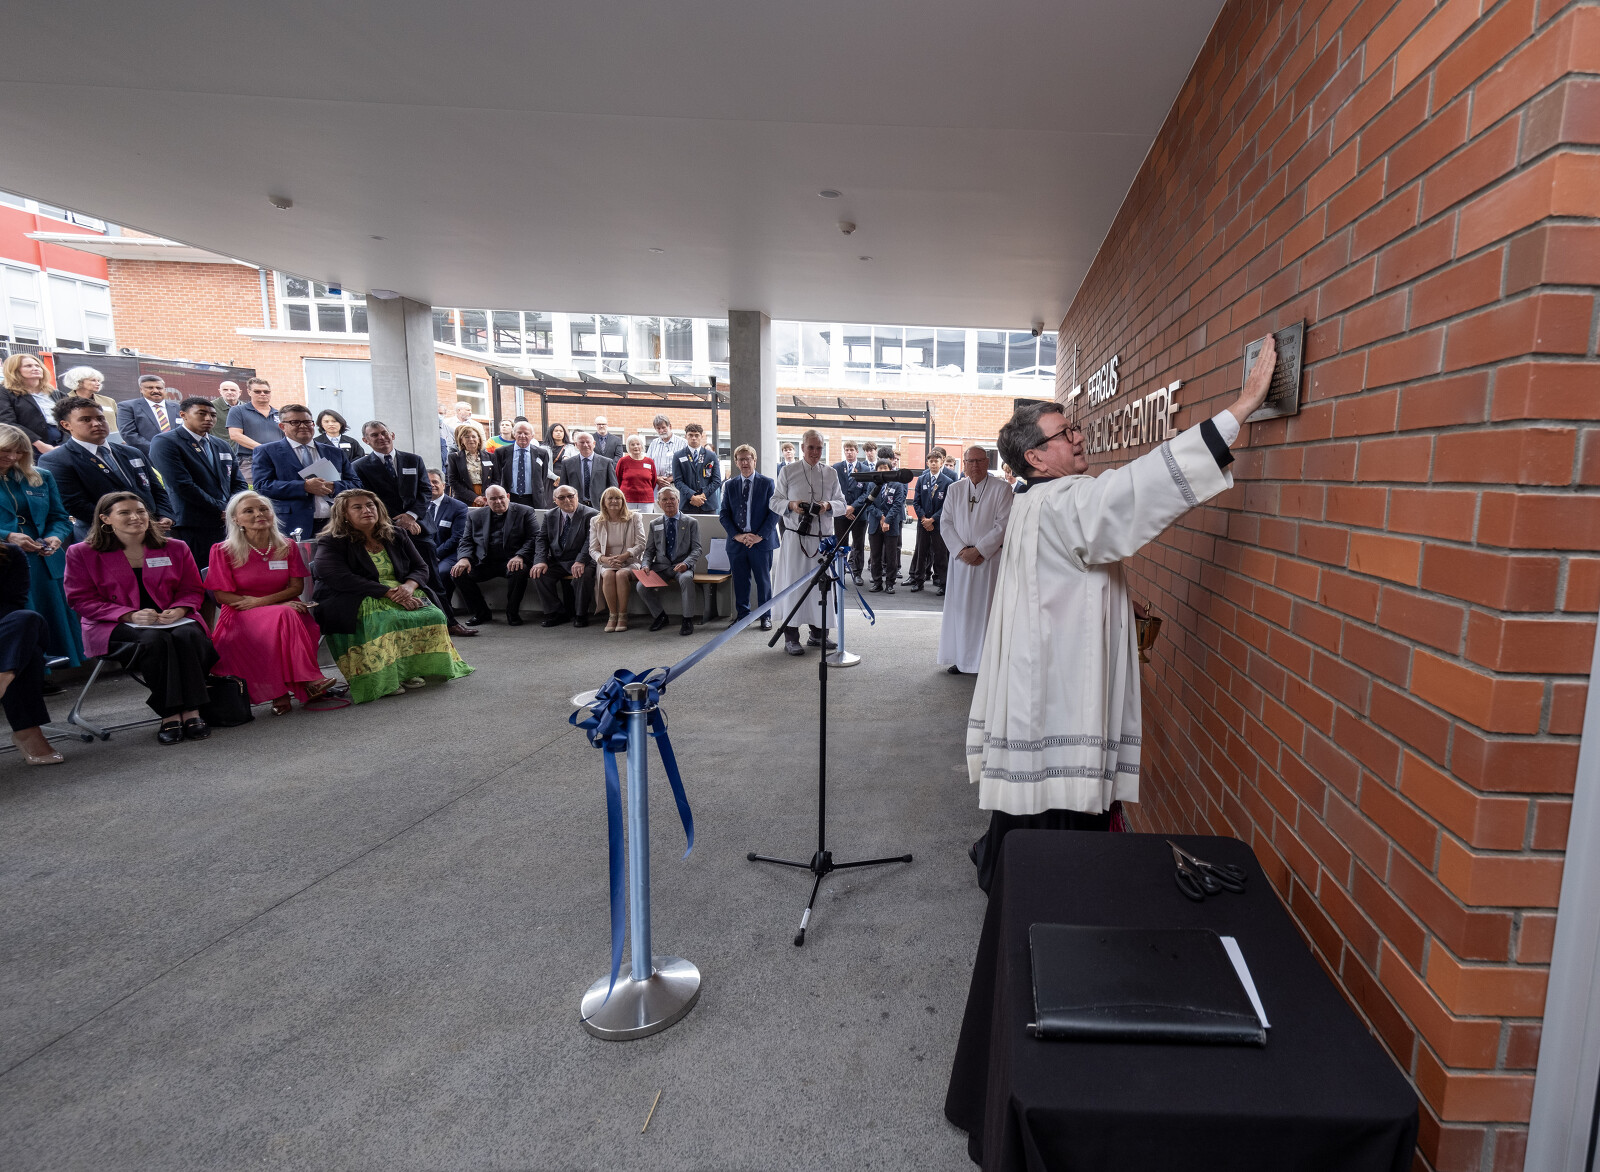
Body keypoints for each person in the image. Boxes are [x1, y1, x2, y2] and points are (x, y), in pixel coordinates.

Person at [965, 337, 1277, 886]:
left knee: (1031, 788)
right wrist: (1241, 408)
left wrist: (1109, 593)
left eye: (1074, 427)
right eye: (1064, 433)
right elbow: (1136, 488)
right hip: (1058, 682)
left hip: (1034, 671)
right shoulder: (1066, 499)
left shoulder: (1031, 500)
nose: (1078, 436)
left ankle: (1006, 865)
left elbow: (1050, 574)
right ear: (1035, 457)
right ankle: (1046, 891)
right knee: (1058, 795)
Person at [63, 491, 217, 744]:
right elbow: (81, 600)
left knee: (187, 635)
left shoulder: (175, 547)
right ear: (105, 519)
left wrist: (180, 609)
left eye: (141, 511)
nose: (135, 517)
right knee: (155, 641)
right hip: (113, 625)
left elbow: (192, 588)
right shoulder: (82, 553)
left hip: (174, 619)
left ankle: (192, 711)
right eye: (125, 513)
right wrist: (129, 615)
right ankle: (170, 714)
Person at [312, 489, 473, 703]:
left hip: (401, 589)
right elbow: (337, 577)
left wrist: (409, 586)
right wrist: (387, 592)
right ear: (344, 514)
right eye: (357, 507)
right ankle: (383, 678)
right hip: (354, 595)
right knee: (385, 619)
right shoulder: (332, 541)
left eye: (370, 505)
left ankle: (411, 670)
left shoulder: (396, 534)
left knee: (433, 615)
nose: (366, 510)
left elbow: (421, 567)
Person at [206, 491, 339, 714]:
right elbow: (222, 596)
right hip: (241, 611)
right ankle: (307, 681)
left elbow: (296, 588)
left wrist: (266, 603)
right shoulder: (222, 550)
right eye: (249, 511)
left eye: (263, 509)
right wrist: (271, 606)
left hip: (282, 607)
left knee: (286, 617)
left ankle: (281, 692)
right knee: (285, 616)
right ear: (236, 519)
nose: (259, 514)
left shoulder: (287, 545)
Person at [353, 421, 474, 638]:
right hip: (384, 530)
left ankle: (449, 623)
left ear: (392, 434)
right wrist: (394, 522)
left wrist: (411, 516)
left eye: (384, 433)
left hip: (419, 528)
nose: (381, 438)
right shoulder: (359, 466)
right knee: (398, 578)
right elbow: (367, 499)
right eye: (374, 435)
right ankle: (412, 625)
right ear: (365, 440)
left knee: (433, 578)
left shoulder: (413, 459)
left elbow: (425, 491)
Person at [0, 424, 84, 667]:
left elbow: (60, 517)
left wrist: (55, 536)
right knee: (18, 615)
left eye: (19, 451)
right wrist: (7, 536)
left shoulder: (40, 476)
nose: (13, 457)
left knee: (50, 613)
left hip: (43, 557)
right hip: (5, 558)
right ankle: (23, 670)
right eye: (6, 450)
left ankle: (50, 668)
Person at [41, 396, 173, 540]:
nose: (96, 424)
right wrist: (129, 522)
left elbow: (156, 489)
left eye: (100, 418)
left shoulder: (132, 452)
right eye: (86, 420)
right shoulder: (57, 460)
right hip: (104, 538)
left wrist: (165, 515)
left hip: (152, 532)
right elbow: (75, 504)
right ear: (66, 425)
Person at [148, 396, 246, 571]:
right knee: (202, 572)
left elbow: (238, 482)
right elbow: (182, 485)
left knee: (231, 570)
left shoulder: (221, 444)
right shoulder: (166, 442)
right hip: (194, 522)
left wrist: (233, 507)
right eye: (201, 413)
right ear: (183, 415)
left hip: (227, 522)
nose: (209, 418)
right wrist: (221, 508)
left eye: (213, 415)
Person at [769, 429, 845, 655]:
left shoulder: (831, 473)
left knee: (822, 588)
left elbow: (842, 503)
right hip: (796, 540)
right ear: (802, 448)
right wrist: (791, 505)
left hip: (822, 542)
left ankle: (818, 634)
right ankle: (791, 637)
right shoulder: (788, 471)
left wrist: (827, 506)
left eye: (819, 448)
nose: (815, 452)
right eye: (811, 447)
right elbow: (774, 501)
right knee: (793, 588)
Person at [938, 447, 1012, 677]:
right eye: (970, 461)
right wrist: (962, 550)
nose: (975, 466)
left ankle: (983, 662)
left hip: (988, 560)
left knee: (985, 611)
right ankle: (961, 659)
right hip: (961, 560)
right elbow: (945, 523)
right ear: (964, 463)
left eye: (980, 461)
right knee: (960, 611)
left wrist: (979, 550)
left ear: (987, 462)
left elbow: (1003, 524)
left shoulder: (1002, 489)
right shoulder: (955, 489)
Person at [251, 403, 359, 538]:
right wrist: (304, 487)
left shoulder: (334, 452)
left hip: (334, 523)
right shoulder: (267, 451)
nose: (303, 426)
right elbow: (262, 486)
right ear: (282, 426)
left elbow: (355, 484)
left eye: (307, 422)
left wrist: (333, 486)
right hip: (292, 524)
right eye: (295, 422)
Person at [0, 545, 62, 764]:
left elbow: (12, 605)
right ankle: (27, 732)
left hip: (5, 630)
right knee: (27, 652)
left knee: (27, 619)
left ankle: (3, 677)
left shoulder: (10, 554)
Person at [450, 485, 538, 626]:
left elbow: (534, 538)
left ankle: (512, 613)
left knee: (520, 571)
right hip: (484, 562)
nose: (498, 502)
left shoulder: (525, 511)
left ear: (508, 497)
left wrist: (520, 556)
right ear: (486, 500)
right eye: (493, 499)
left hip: (512, 560)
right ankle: (481, 613)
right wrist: (464, 558)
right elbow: (466, 541)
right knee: (458, 573)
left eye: (501, 497)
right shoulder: (474, 516)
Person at [718, 444, 778, 629]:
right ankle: (743, 616)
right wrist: (737, 535)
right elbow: (724, 514)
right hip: (737, 543)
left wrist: (759, 536)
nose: (745, 462)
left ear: (755, 461)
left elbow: (774, 513)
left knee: (763, 581)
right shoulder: (729, 485)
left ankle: (765, 616)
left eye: (748, 459)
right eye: (741, 459)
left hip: (761, 542)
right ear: (736, 462)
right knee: (740, 581)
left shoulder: (767, 483)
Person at [639, 487, 701, 635]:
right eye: (664, 499)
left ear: (678, 500)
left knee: (686, 580)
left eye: (672, 498)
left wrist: (686, 563)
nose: (669, 502)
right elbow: (649, 551)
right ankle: (660, 616)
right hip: (661, 567)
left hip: (683, 566)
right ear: (659, 503)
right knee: (641, 586)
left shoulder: (691, 522)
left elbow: (697, 549)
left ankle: (687, 619)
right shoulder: (654, 524)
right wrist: (645, 565)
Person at [532, 484, 596, 627]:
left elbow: (591, 541)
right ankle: (557, 613)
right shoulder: (550, 515)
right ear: (555, 500)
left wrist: (580, 560)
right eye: (561, 498)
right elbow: (541, 539)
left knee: (583, 574)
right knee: (539, 573)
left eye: (570, 496)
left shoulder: (591, 514)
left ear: (577, 496)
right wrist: (540, 560)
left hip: (583, 559)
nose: (567, 500)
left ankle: (580, 614)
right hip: (558, 560)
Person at [589, 486, 646, 631]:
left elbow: (641, 544)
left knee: (621, 575)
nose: (614, 501)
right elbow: (593, 549)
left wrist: (625, 556)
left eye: (617, 498)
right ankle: (612, 615)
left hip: (630, 560)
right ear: (604, 502)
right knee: (608, 575)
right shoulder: (596, 521)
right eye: (610, 498)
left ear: (623, 501)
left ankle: (622, 616)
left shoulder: (634, 518)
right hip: (607, 562)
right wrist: (605, 559)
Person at [908, 447, 957, 594]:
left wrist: (933, 519)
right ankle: (918, 581)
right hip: (923, 524)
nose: (934, 463)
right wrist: (923, 518)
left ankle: (943, 583)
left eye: (936, 461)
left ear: (942, 463)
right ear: (927, 463)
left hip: (938, 524)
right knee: (921, 553)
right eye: (931, 461)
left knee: (940, 554)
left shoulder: (947, 482)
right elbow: (916, 502)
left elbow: (947, 505)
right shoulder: (921, 479)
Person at [1, 353, 61, 453]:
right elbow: (7, 422)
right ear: (14, 370)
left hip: (61, 442)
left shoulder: (53, 392)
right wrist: (39, 445)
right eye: (28, 366)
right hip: (28, 445)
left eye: (37, 366)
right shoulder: (5, 392)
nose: (35, 368)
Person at [225, 377, 281, 483]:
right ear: (249, 392)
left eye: (266, 391)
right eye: (257, 391)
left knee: (278, 490)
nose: (263, 394)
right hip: (250, 461)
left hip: (277, 460)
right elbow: (235, 435)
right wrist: (263, 449)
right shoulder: (238, 410)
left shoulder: (279, 414)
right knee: (251, 491)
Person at [831, 439, 872, 583]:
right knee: (841, 544)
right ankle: (840, 572)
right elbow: (833, 491)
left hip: (858, 514)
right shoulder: (836, 468)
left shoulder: (865, 469)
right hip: (841, 514)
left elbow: (867, 492)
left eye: (851, 450)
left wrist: (853, 507)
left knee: (858, 544)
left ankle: (857, 573)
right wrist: (844, 508)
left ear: (857, 451)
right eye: (846, 450)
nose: (849, 453)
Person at [865, 458, 907, 594]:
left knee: (891, 556)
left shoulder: (897, 484)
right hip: (875, 523)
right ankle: (877, 582)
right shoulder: (872, 484)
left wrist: (887, 520)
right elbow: (869, 504)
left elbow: (898, 504)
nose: (883, 470)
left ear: (890, 470)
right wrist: (881, 517)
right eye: (880, 468)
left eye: (885, 468)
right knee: (875, 555)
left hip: (892, 525)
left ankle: (890, 583)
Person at [495, 420, 555, 509]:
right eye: (519, 433)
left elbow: (543, 476)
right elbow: (497, 475)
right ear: (514, 434)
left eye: (526, 433)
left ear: (532, 436)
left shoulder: (542, 453)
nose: (522, 436)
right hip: (510, 498)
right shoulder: (501, 452)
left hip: (534, 499)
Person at [115, 375, 176, 455]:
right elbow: (128, 434)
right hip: (146, 456)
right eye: (150, 388)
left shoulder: (178, 407)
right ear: (141, 390)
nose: (155, 390)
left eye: (159, 388)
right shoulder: (128, 407)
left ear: (164, 389)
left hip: (178, 456)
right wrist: (158, 449)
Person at [671, 422, 721, 514]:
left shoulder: (711, 456)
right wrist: (692, 496)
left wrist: (703, 495)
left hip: (708, 504)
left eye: (696, 435)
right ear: (686, 436)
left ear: (701, 436)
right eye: (690, 435)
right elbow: (678, 481)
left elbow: (717, 480)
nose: (693, 438)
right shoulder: (678, 456)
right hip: (688, 504)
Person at [558, 431, 617, 508]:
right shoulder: (567, 463)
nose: (585, 445)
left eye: (588, 442)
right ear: (576, 445)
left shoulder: (606, 462)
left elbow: (613, 486)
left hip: (600, 506)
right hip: (575, 506)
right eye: (582, 442)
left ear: (594, 444)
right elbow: (563, 487)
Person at [446, 423, 499, 506]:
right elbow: (453, 481)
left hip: (487, 498)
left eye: (474, 436)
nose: (471, 439)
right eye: (466, 437)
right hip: (464, 498)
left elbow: (496, 479)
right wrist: (474, 497)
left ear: (479, 439)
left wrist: (485, 496)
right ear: (461, 440)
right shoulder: (454, 457)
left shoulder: (490, 457)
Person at [616, 435, 658, 512]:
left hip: (646, 500)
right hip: (627, 499)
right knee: (627, 519)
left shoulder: (649, 461)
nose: (636, 447)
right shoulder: (623, 461)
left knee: (646, 519)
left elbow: (654, 480)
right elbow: (618, 479)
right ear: (628, 447)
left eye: (638, 444)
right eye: (632, 444)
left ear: (641, 446)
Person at [646, 414, 685, 489]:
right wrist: (656, 478)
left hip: (676, 485)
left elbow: (686, 466)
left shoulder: (682, 443)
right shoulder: (653, 443)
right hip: (657, 485)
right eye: (658, 428)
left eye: (663, 427)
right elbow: (648, 465)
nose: (661, 431)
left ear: (670, 426)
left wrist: (671, 478)